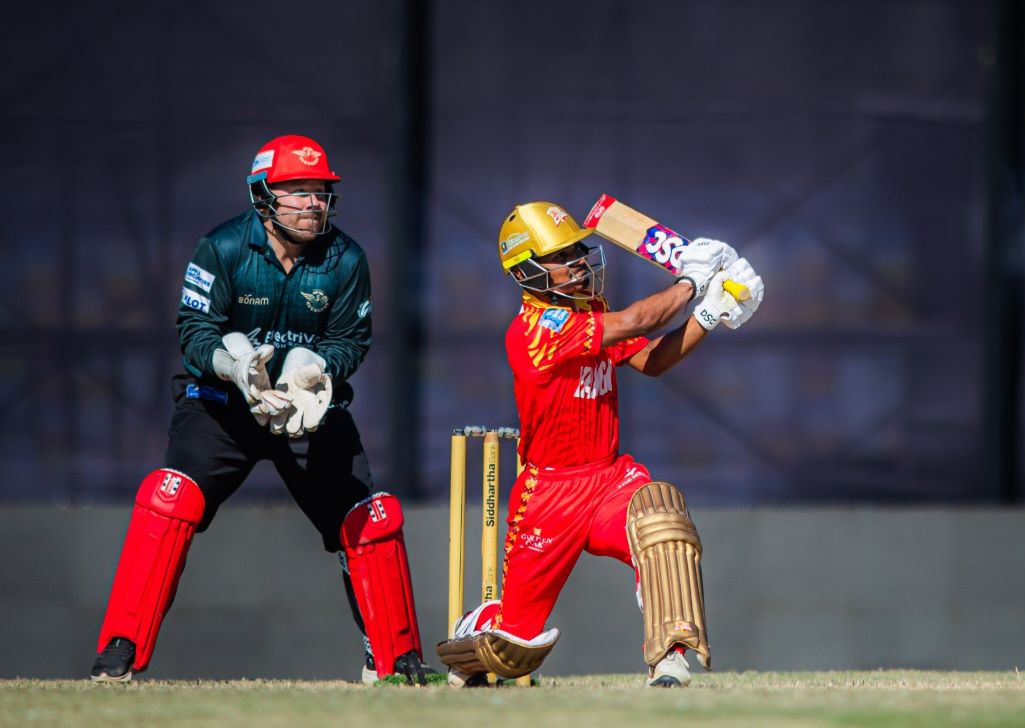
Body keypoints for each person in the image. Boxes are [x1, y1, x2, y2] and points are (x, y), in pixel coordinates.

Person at [89, 134, 427, 685]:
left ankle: (395, 659)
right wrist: (235, 367)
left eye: (320, 190)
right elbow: (195, 330)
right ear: (263, 196)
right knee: (169, 498)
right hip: (222, 407)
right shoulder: (221, 247)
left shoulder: (347, 258)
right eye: (298, 190)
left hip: (305, 410)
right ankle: (119, 650)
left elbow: (351, 340)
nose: (313, 202)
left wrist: (314, 369)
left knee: (370, 516)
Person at [436, 201, 764, 687]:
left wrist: (709, 313)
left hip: (608, 477)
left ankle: (669, 657)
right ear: (527, 270)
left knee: (662, 521)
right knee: (514, 647)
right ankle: (475, 632)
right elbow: (637, 322)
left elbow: (651, 361)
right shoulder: (534, 332)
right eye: (562, 257)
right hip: (548, 495)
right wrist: (692, 283)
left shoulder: (592, 310)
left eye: (577, 251)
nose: (577, 263)